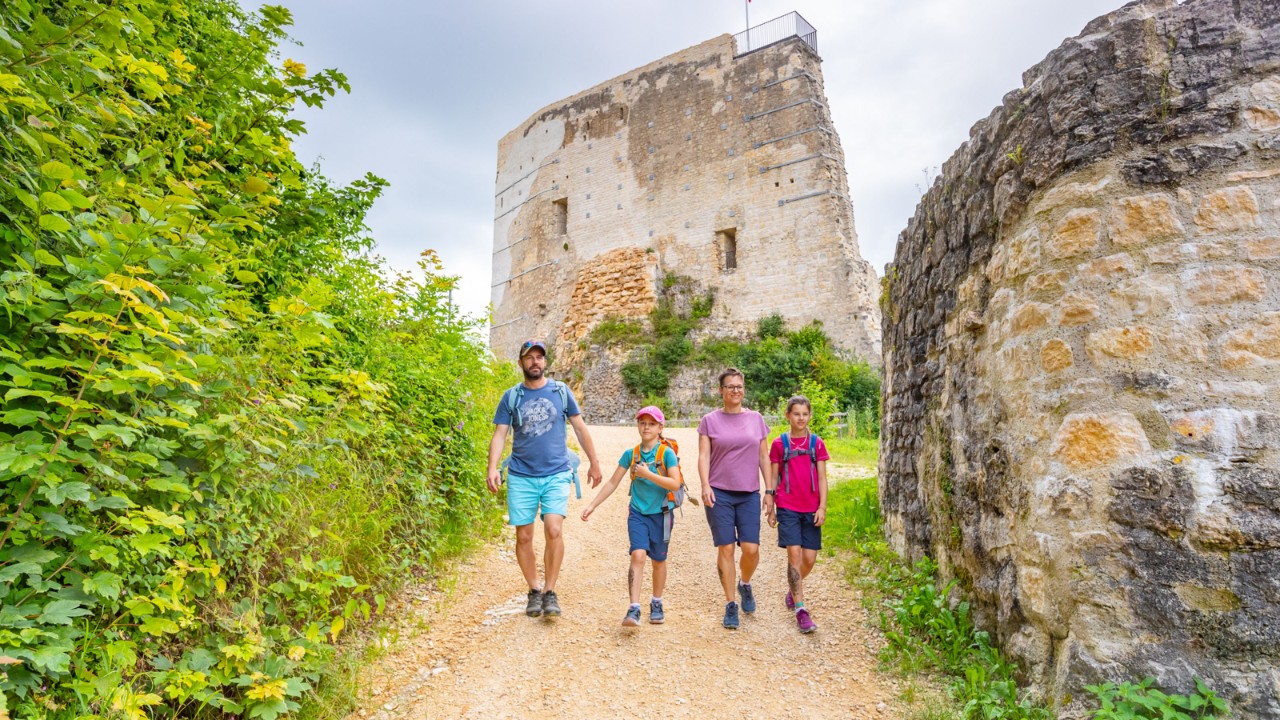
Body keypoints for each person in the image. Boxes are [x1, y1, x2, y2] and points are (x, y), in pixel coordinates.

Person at [487, 340, 603, 619]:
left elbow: (580, 428)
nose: (535, 362)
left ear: (545, 362)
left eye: (539, 357)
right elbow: (500, 434)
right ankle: (534, 590)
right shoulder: (511, 397)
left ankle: (550, 591)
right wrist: (492, 468)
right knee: (524, 536)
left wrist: (594, 462)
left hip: (556, 473)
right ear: (521, 363)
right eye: (530, 358)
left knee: (553, 529)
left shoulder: (561, 392)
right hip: (521, 475)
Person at [580, 406, 682, 627]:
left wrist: (648, 474)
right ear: (638, 425)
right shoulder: (631, 454)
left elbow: (675, 483)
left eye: (652, 424)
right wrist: (592, 505)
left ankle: (656, 601)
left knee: (659, 560)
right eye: (643, 423)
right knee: (638, 555)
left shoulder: (666, 453)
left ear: (660, 428)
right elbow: (613, 482)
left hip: (662, 514)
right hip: (637, 513)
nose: (646, 427)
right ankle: (634, 607)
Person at [698, 367, 769, 629]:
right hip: (719, 492)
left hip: (749, 492)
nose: (735, 390)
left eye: (739, 386)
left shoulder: (756, 419)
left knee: (751, 549)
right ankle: (730, 604)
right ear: (721, 391)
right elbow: (704, 455)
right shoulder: (709, 421)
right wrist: (705, 485)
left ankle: (745, 583)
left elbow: (764, 457)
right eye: (730, 386)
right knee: (726, 548)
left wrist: (769, 491)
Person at [765, 395, 829, 634]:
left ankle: (793, 590)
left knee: (809, 559)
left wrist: (822, 507)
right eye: (796, 414)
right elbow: (773, 476)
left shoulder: (817, 444)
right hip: (788, 506)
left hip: (811, 508)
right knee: (794, 554)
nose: (801, 418)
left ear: (809, 415)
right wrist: (770, 502)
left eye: (805, 414)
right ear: (788, 415)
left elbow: (822, 478)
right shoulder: (779, 444)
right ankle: (801, 608)